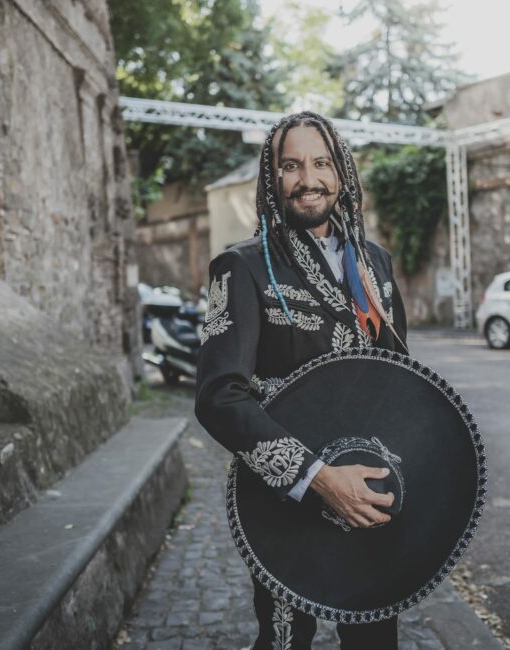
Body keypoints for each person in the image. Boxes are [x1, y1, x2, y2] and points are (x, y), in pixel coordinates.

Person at [194, 111, 410, 649]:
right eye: (290, 165)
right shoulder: (240, 267)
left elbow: (399, 382)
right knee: (287, 640)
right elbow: (221, 397)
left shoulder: (375, 264)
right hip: (285, 499)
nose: (307, 179)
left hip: (368, 492)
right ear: (272, 178)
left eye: (321, 163)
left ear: (341, 173)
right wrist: (315, 477)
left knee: (375, 637)